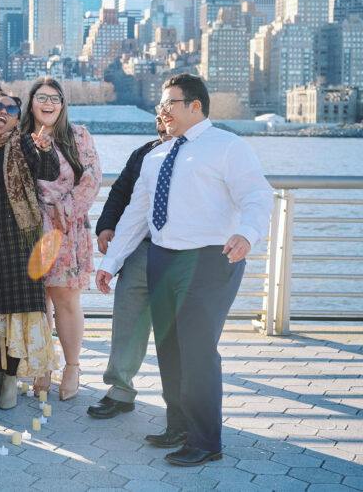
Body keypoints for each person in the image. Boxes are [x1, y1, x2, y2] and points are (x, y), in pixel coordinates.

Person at [99, 74, 272, 466]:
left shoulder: (228, 146)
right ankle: (178, 424)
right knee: (169, 349)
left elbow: (258, 195)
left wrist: (247, 233)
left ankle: (206, 440)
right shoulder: (156, 156)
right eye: (160, 105)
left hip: (210, 258)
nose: (162, 112)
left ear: (195, 106)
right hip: (162, 257)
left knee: (196, 350)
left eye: (170, 104)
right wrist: (111, 263)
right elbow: (136, 215)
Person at [0, 92, 60, 410]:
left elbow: (47, 170)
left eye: (10, 109)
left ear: (16, 116)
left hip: (19, 244)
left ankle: (10, 378)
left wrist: (45, 146)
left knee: (15, 317)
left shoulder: (23, 144)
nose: (2, 113)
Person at [21, 76, 102, 401]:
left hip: (66, 228)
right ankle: (42, 364)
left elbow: (93, 178)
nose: (49, 103)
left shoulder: (78, 136)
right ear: (32, 103)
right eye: (42, 97)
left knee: (65, 299)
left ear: (63, 104)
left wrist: (66, 208)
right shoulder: (20, 139)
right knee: (38, 304)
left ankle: (72, 366)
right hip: (29, 229)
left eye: (55, 98)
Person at [87, 116, 171, 420]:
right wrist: (106, 227)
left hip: (181, 253)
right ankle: (120, 391)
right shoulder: (144, 153)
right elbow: (121, 193)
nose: (162, 127)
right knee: (127, 321)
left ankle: (180, 400)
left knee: (174, 330)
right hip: (140, 247)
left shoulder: (201, 154)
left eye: (168, 119)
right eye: (158, 120)